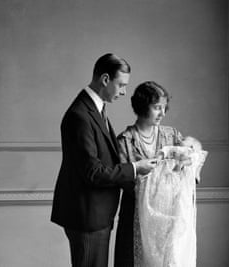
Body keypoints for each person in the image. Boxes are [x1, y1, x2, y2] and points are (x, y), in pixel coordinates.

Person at [50, 54, 157, 267]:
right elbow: (93, 172)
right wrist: (135, 168)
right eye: (122, 85)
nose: (124, 92)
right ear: (106, 79)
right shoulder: (80, 115)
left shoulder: (95, 110)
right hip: (87, 216)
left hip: (95, 214)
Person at [114, 81, 194, 267]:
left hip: (168, 217)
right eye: (157, 108)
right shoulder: (125, 141)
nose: (162, 114)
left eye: (164, 108)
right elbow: (124, 180)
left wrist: (188, 162)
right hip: (135, 216)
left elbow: (191, 167)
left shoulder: (172, 135)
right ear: (142, 107)